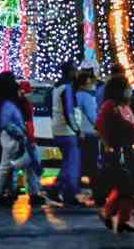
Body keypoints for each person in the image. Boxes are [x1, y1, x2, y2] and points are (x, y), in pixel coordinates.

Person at [0, 75, 45, 206]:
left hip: (12, 137)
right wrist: (22, 134)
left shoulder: (4, 102)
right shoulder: (9, 104)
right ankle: (32, 192)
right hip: (15, 137)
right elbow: (7, 123)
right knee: (18, 163)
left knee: (18, 164)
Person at [96, 76, 134, 234]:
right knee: (125, 187)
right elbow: (102, 125)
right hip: (115, 153)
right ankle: (112, 215)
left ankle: (120, 219)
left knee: (124, 188)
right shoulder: (110, 106)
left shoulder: (122, 106)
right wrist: (108, 145)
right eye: (127, 87)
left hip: (124, 150)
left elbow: (130, 125)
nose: (130, 90)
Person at [50, 61, 84, 206]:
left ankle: (58, 189)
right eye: (75, 70)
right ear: (70, 72)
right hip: (67, 130)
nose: (77, 73)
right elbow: (68, 111)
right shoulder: (67, 88)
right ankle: (67, 193)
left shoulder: (56, 87)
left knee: (67, 162)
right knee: (72, 163)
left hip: (58, 128)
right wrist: (77, 129)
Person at [76, 71, 100, 190]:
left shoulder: (75, 95)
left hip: (80, 132)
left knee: (81, 159)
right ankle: (94, 184)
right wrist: (100, 128)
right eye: (90, 82)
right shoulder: (87, 97)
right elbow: (92, 116)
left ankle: (78, 180)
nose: (92, 85)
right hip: (90, 133)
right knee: (92, 160)